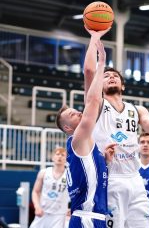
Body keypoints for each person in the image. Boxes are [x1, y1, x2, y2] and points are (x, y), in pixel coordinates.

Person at [84, 28, 149, 228]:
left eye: (115, 76)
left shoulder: (137, 109)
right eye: (106, 76)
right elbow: (88, 71)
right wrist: (95, 38)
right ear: (99, 84)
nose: (110, 77)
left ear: (123, 86)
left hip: (135, 179)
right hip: (111, 178)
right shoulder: (97, 104)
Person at [56, 33, 114, 227]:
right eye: (73, 115)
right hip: (87, 218)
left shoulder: (84, 144)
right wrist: (102, 62)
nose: (79, 114)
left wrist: (103, 161)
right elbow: (93, 99)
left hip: (90, 217)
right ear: (67, 128)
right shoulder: (77, 139)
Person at [30, 147, 69, 228]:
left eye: (63, 155)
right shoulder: (44, 172)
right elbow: (35, 191)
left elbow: (76, 193)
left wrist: (71, 208)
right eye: (57, 154)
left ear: (66, 159)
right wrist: (37, 207)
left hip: (59, 215)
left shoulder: (69, 175)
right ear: (53, 157)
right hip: (43, 212)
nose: (60, 157)